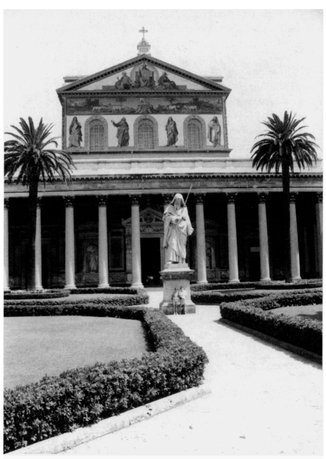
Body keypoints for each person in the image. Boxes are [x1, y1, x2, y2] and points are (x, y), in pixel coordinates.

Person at [163, 193, 194, 264]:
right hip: (173, 229)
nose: (177, 202)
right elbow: (166, 218)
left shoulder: (184, 209)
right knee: (172, 243)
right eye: (176, 200)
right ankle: (171, 259)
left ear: (181, 201)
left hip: (182, 230)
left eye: (179, 200)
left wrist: (189, 227)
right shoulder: (170, 208)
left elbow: (187, 219)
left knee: (182, 246)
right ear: (174, 200)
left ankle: (181, 260)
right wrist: (173, 219)